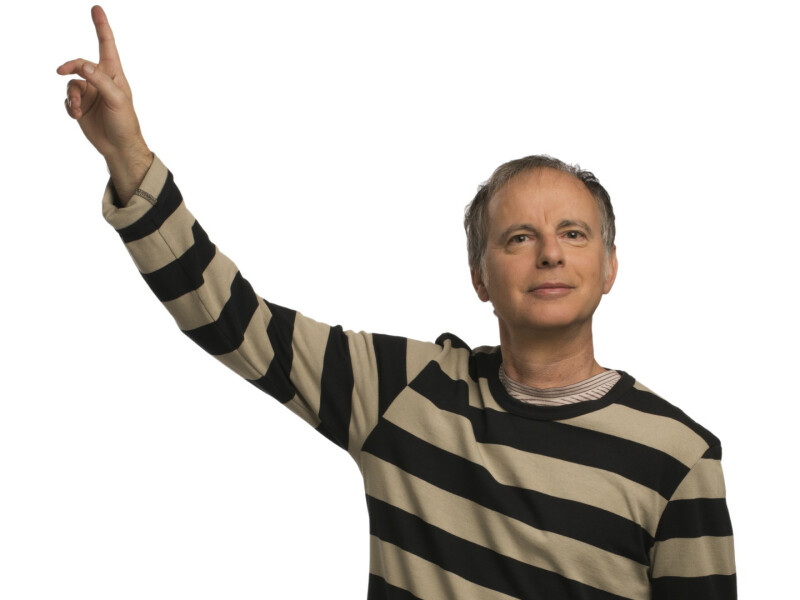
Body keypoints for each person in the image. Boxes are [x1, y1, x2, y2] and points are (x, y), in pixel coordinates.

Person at [58, 6, 736, 599]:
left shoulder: (679, 457)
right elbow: (234, 321)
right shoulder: (405, 392)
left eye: (574, 234)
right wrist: (129, 156)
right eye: (519, 237)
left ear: (610, 267)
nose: (550, 254)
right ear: (479, 276)